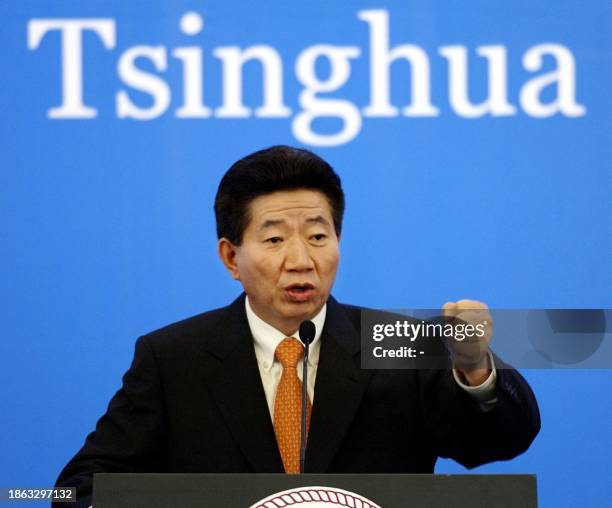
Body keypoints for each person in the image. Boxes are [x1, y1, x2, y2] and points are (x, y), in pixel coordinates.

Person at [54, 145, 540, 507]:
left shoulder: (399, 345)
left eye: (317, 235)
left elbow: (498, 443)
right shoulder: (174, 358)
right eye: (273, 238)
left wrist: (475, 369)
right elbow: (79, 489)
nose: (301, 260)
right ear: (231, 256)